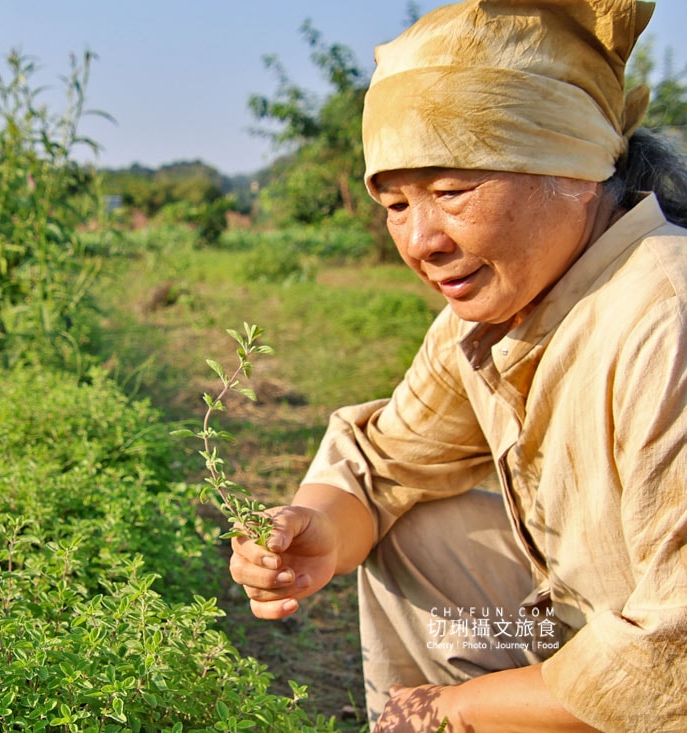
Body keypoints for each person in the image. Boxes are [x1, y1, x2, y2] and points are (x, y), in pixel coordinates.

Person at [228, 1, 687, 731]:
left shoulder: (665, 314)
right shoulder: (496, 314)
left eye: (451, 192)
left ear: (573, 170)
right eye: (396, 203)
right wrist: (316, 532)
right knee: (420, 528)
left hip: (666, 669)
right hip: (595, 626)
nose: (421, 241)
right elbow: (383, 465)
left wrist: (456, 710)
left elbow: (676, 651)